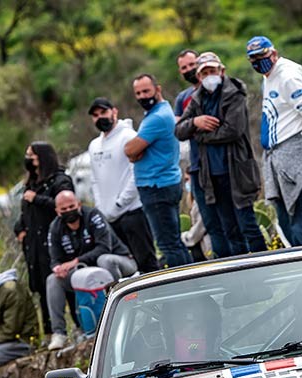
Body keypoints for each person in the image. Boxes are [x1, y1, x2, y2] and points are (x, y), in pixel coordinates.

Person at [176, 52, 267, 256]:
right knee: (229, 228)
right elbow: (179, 130)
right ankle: (239, 267)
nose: (209, 76)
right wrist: (195, 122)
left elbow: (233, 130)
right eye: (205, 72)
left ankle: (263, 264)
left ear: (222, 71)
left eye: (213, 70)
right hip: (211, 175)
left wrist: (201, 136)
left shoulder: (234, 94)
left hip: (236, 170)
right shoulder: (197, 99)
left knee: (247, 224)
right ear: (199, 76)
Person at [246, 36, 302, 248]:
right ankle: (299, 259)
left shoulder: (287, 77)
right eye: (253, 58)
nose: (258, 61)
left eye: (262, 56)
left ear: (273, 53)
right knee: (286, 220)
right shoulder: (268, 77)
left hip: (295, 154)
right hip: (277, 155)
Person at [45, 190, 138, 349]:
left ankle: (119, 313)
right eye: (64, 209)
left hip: (119, 262)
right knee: (53, 279)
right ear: (57, 211)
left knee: (104, 260)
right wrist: (57, 268)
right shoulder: (55, 227)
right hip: (84, 273)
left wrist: (76, 261)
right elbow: (54, 258)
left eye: (71, 206)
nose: (69, 211)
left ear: (79, 204)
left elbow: (104, 248)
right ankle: (59, 333)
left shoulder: (93, 216)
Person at [124, 73, 191, 268]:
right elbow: (135, 151)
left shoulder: (157, 118)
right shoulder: (160, 112)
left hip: (157, 186)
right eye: (138, 93)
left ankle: (183, 281)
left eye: (146, 91)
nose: (142, 96)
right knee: (174, 242)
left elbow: (129, 150)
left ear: (158, 89)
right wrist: (136, 151)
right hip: (163, 183)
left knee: (168, 245)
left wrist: (134, 151)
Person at [87, 97, 159, 273]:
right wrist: (101, 208)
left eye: (103, 112)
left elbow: (137, 174)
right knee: (125, 266)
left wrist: (120, 203)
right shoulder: (94, 145)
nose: (100, 117)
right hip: (109, 217)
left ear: (114, 111)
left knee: (146, 261)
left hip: (132, 212)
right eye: (95, 115)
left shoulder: (128, 136)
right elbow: (95, 179)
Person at [14, 142, 74, 336]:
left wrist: (37, 199)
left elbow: (65, 207)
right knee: (42, 289)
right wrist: (20, 230)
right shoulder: (31, 183)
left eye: (32, 156)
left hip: (55, 243)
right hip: (34, 246)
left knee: (65, 286)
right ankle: (50, 332)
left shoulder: (60, 181)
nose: (28, 159)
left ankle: (79, 328)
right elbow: (25, 212)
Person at [174, 49, 200, 116]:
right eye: (184, 68)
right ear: (180, 72)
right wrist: (194, 120)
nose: (189, 69)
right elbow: (177, 120)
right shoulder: (182, 98)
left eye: (192, 64)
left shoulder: (216, 89)